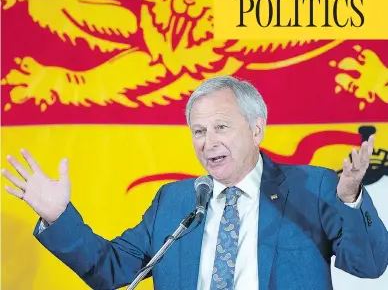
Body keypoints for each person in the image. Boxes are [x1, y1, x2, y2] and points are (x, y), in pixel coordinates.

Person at [2, 75, 387, 290]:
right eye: (198, 131)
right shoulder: (175, 200)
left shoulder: (313, 186)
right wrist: (58, 217)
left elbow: (370, 267)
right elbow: (112, 268)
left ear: (256, 129)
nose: (208, 142)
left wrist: (351, 198)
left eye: (221, 127)